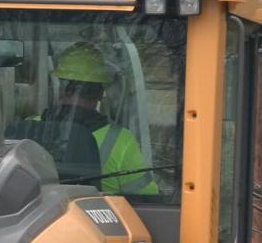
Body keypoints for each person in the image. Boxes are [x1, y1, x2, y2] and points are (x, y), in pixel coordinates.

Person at [9, 42, 158, 195]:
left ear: (61, 87)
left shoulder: (29, 127)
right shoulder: (121, 140)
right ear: (100, 92)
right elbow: (147, 198)